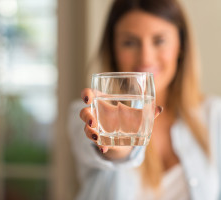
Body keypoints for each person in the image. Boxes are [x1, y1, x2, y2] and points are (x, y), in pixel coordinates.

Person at [68, 0, 221, 199]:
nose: (146, 58)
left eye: (159, 41)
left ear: (181, 45)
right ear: (113, 48)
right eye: (130, 42)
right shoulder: (87, 112)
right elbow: (103, 152)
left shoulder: (213, 114)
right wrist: (117, 145)